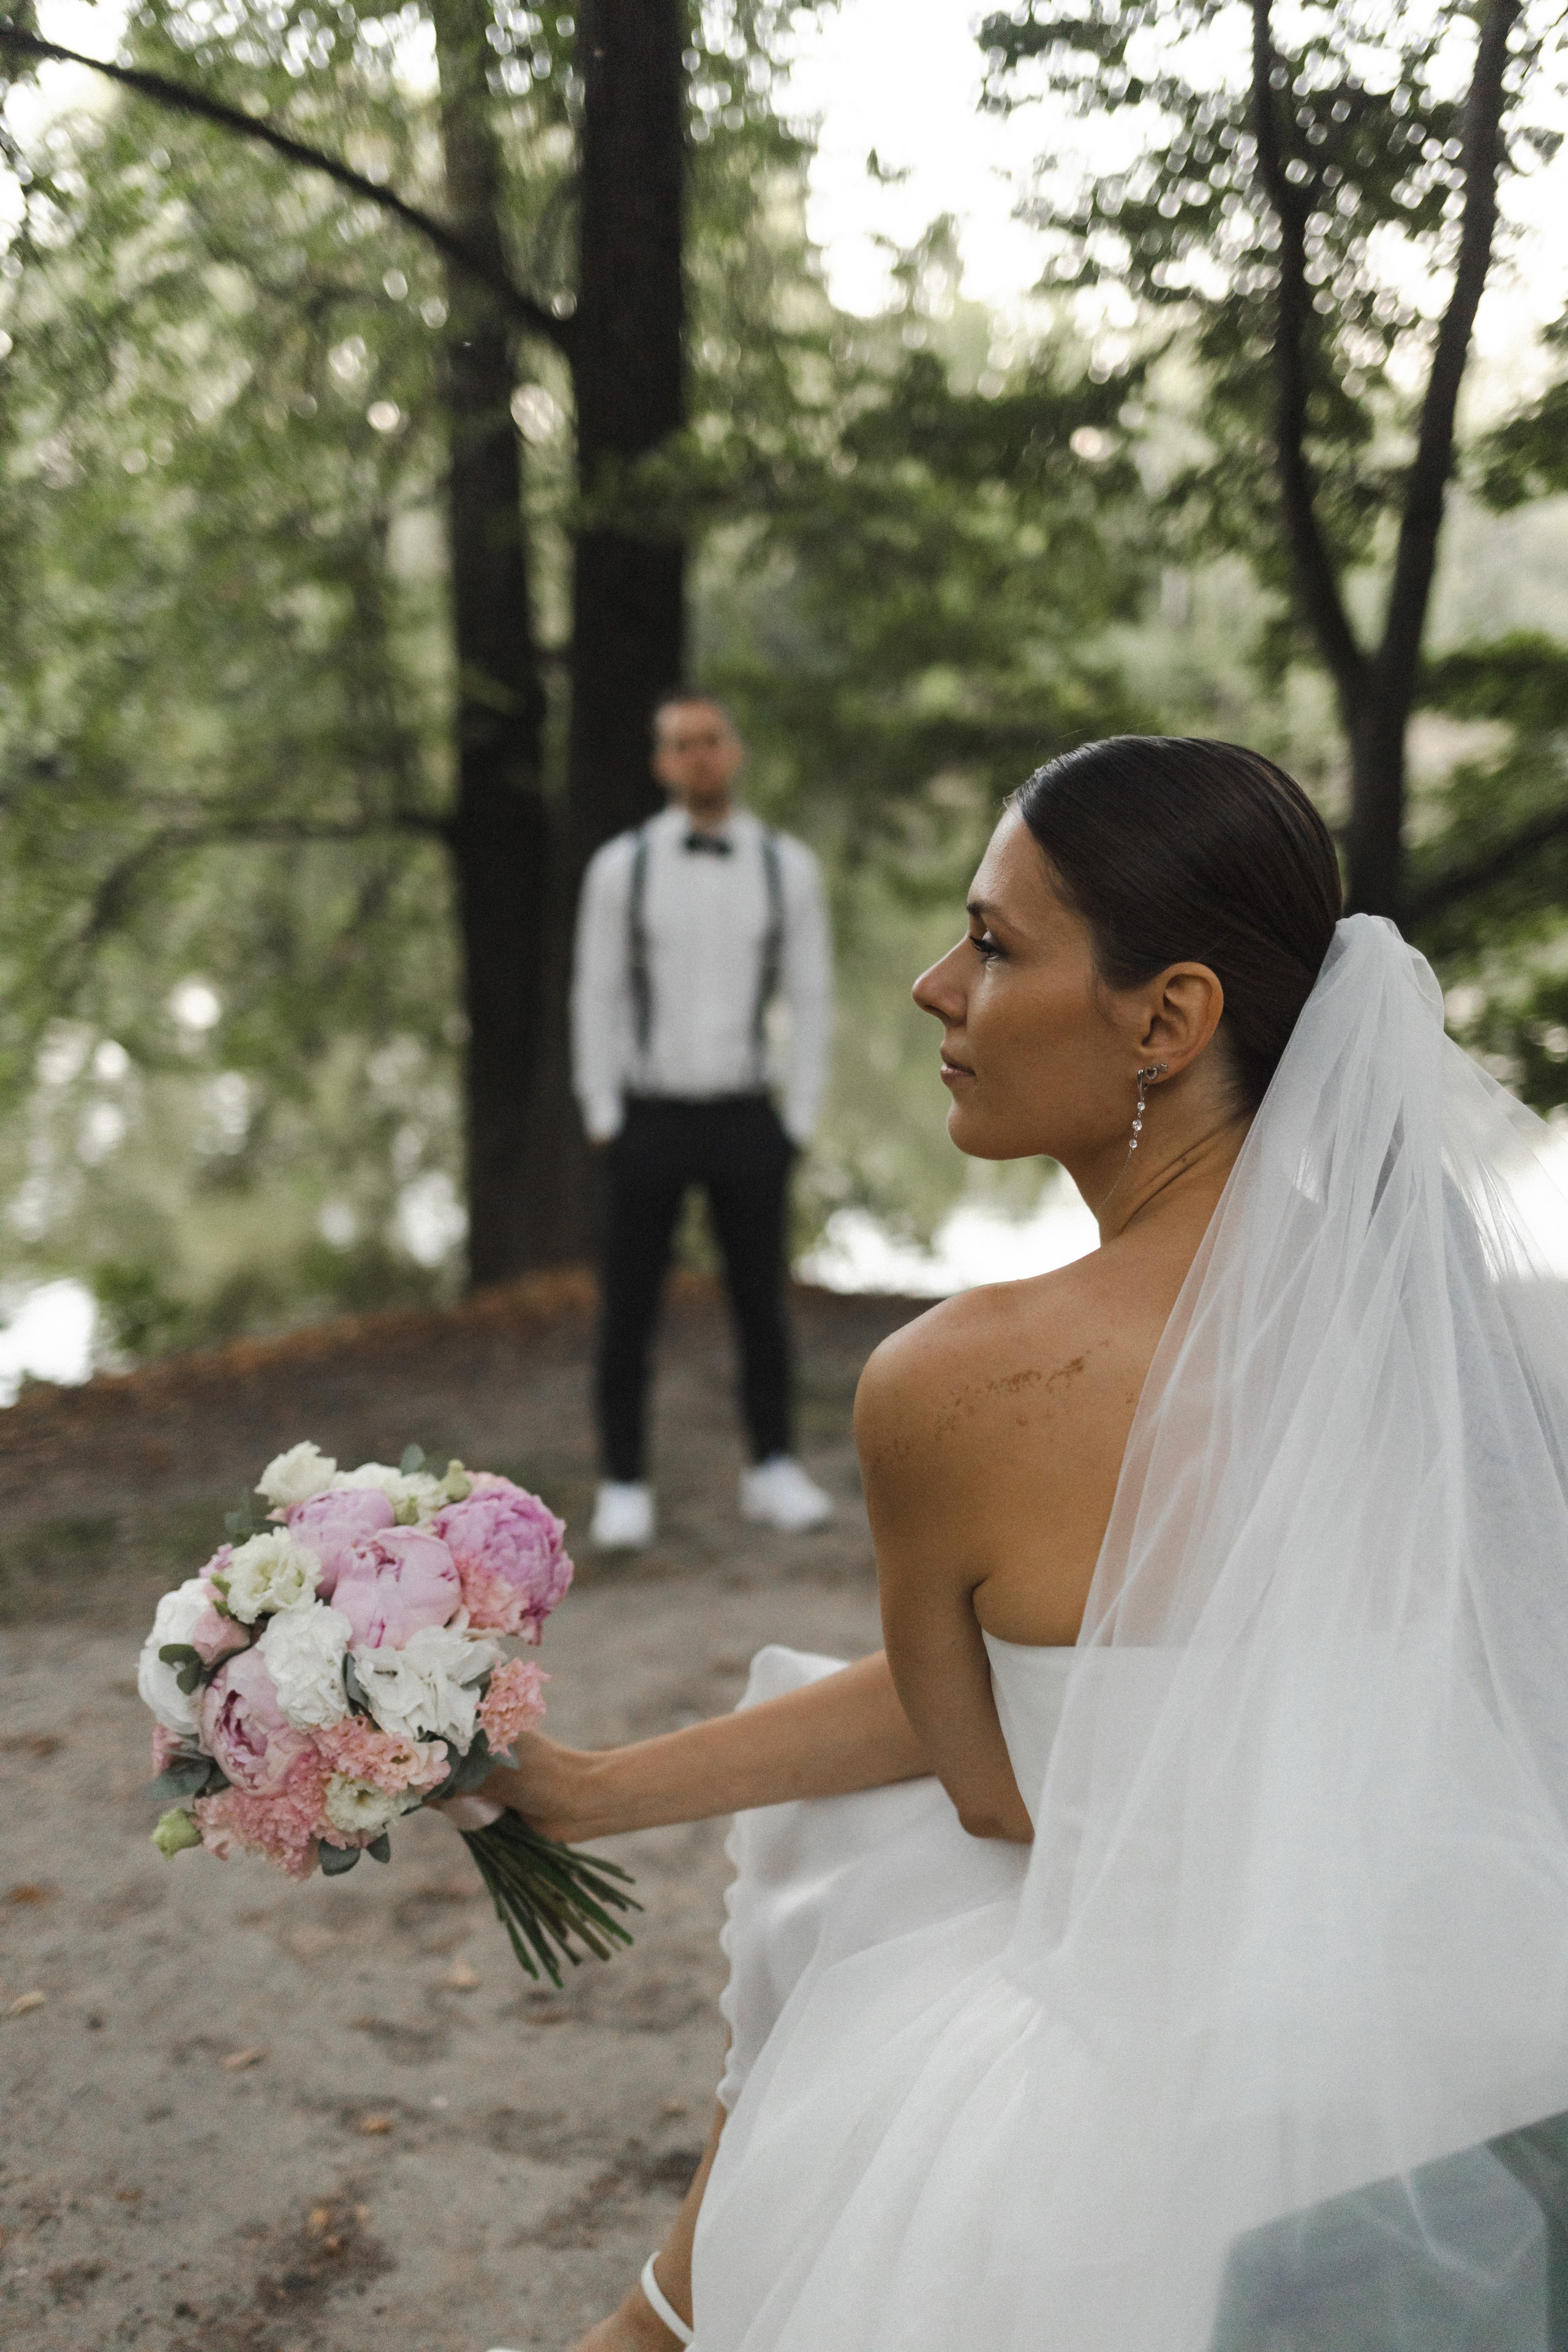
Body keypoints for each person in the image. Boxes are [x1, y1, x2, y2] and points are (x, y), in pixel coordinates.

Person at [485, 736, 1568, 2351]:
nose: (937, 985)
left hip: (1144, 2068)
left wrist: (600, 1792)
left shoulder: (953, 1382)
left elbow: (987, 1774)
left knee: (878, 1874)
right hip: (1453, 2010)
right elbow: (1120, 1679)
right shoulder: (1443, 1330)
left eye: (994, 944)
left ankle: (653, 2329)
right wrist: (595, 1789)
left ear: (1172, 1016)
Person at [571, 695, 835, 1553]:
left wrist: (797, 1116)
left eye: (711, 742)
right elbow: (597, 993)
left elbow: (812, 995)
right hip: (648, 1115)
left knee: (761, 1300)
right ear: (662, 763)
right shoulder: (624, 867)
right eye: (680, 746)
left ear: (736, 751)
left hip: (746, 1113)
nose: (698, 759)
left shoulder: (784, 867)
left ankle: (772, 1467)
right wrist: (604, 1112)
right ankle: (623, 1482)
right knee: (630, 1305)